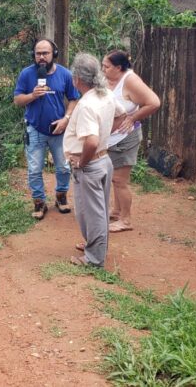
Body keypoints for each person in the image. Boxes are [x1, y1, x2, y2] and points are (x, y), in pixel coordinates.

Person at [65, 53, 126, 268]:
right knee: (97, 210)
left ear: (77, 79)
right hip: (104, 160)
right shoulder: (106, 94)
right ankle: (95, 247)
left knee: (92, 213)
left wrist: (82, 163)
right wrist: (104, 135)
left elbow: (90, 141)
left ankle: (94, 259)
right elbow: (121, 116)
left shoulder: (87, 104)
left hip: (90, 164)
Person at [14, 38, 80, 219]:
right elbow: (17, 100)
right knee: (35, 169)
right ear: (33, 55)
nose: (41, 57)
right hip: (35, 129)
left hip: (59, 130)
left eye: (45, 53)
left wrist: (66, 119)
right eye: (38, 53)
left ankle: (61, 197)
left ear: (54, 54)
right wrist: (32, 95)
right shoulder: (26, 74)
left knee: (64, 168)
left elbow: (74, 98)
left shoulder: (65, 74)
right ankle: (39, 203)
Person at [102, 50, 161, 233]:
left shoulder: (130, 80)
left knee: (120, 180)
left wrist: (134, 117)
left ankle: (126, 220)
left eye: (107, 66)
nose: (103, 69)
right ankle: (117, 211)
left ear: (119, 68)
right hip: (112, 139)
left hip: (125, 139)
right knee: (114, 179)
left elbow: (154, 102)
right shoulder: (111, 79)